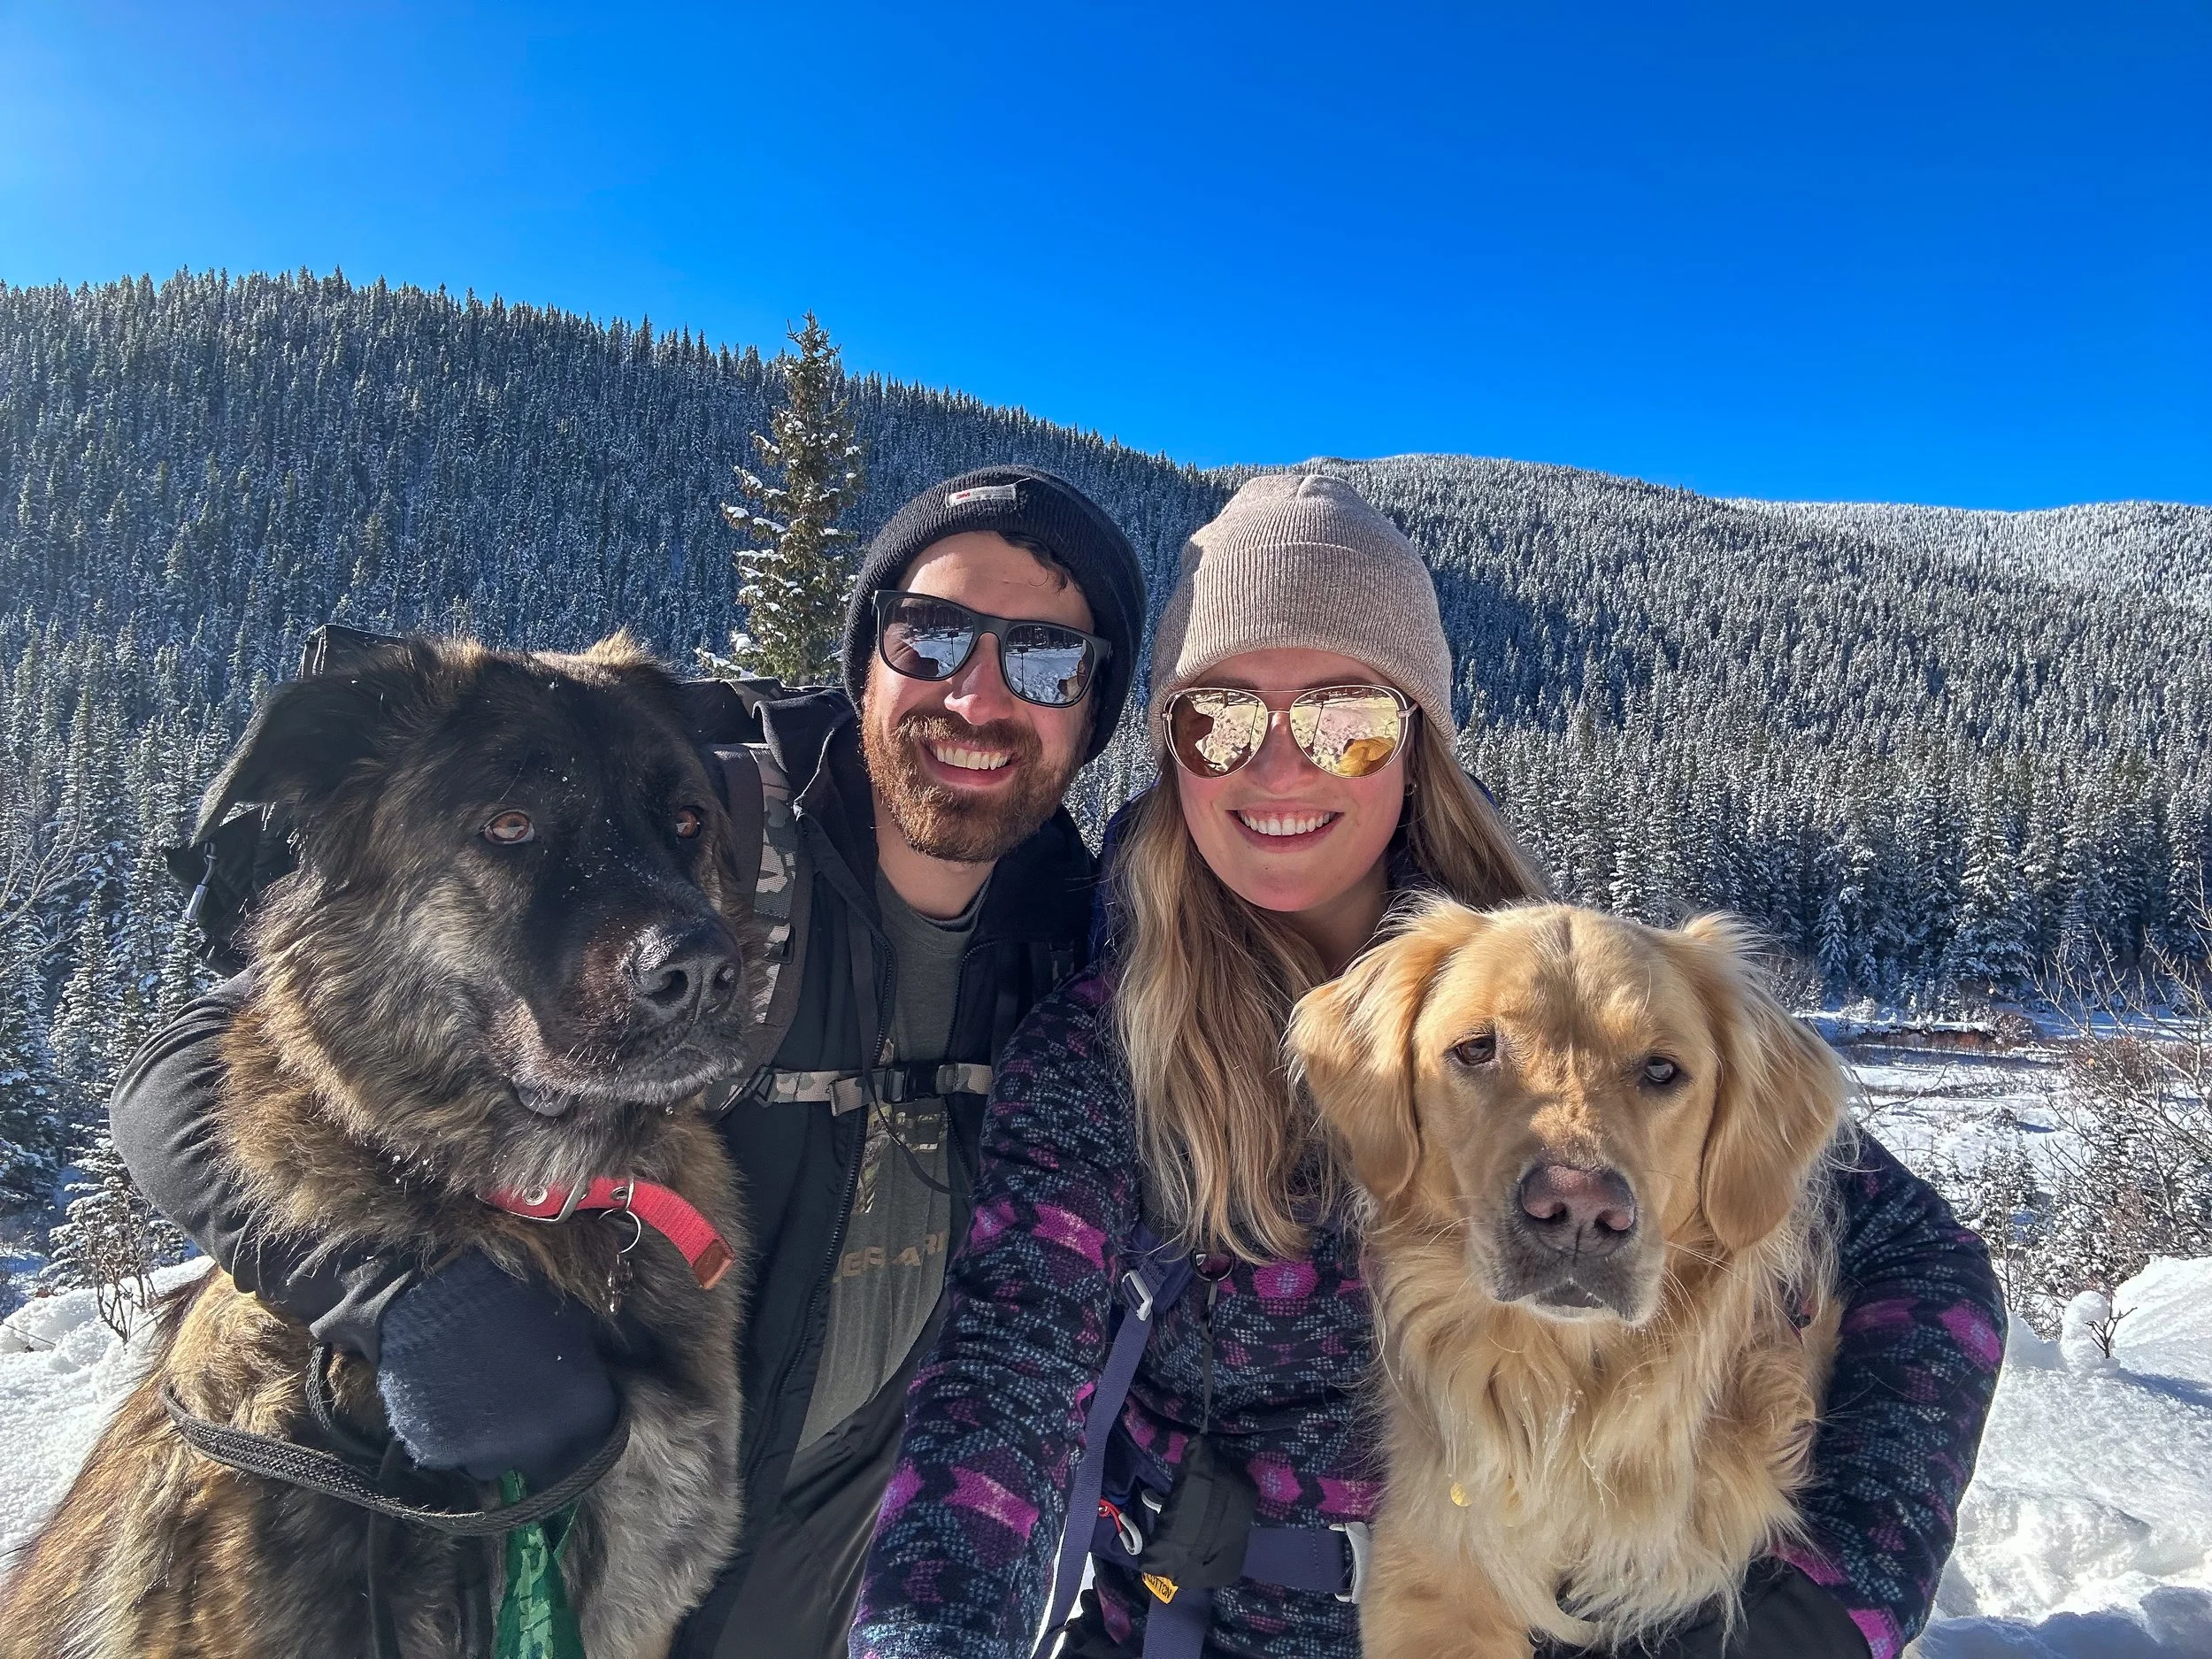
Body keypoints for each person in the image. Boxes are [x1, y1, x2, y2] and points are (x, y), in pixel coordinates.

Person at [848, 473, 2005, 1659]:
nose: (1281, 768)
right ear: (1171, 751)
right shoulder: (1102, 1057)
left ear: (1414, 741)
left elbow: (1931, 1267)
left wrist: (1817, 1615)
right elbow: (995, 1408)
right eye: (1222, 719)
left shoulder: (1577, 982)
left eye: (1344, 717)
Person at [107, 465, 1148, 1659]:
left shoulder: (1084, 946)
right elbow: (189, 1066)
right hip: (525, 1573)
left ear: (1092, 705)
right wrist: (399, 1297)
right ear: (868, 649)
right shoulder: (701, 804)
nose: (976, 695)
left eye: (1047, 659)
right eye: (934, 632)